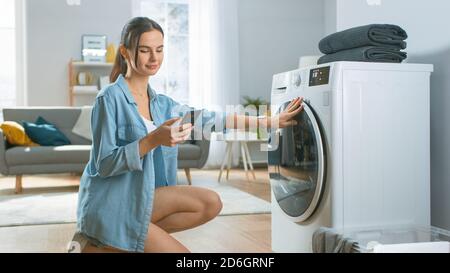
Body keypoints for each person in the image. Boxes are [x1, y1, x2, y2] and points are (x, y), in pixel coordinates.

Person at [75, 17, 304, 253]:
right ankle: (105, 236)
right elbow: (103, 164)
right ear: (125, 51)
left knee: (210, 203)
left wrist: (267, 121)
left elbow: (212, 119)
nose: (154, 58)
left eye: (160, 49)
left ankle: (107, 246)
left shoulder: (163, 104)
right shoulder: (109, 98)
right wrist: (153, 140)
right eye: (144, 50)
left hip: (143, 197)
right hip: (113, 203)